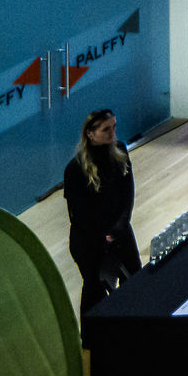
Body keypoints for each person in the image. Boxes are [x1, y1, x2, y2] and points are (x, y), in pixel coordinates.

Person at [64, 107, 140, 316]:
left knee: (134, 278)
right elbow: (78, 215)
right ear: (90, 134)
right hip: (89, 240)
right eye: (106, 129)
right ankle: (91, 334)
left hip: (119, 229)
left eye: (114, 127)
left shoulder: (120, 151)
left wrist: (120, 225)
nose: (112, 133)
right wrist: (103, 236)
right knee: (95, 290)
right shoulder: (75, 169)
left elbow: (128, 192)